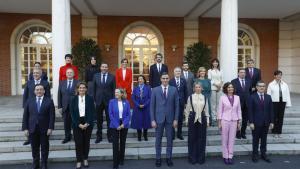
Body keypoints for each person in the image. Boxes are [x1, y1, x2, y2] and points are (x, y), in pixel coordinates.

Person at [22, 84, 55, 169]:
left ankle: (44, 163)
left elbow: (52, 116)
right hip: (32, 128)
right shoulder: (29, 101)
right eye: (37, 90)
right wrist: (25, 128)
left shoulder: (49, 101)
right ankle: (35, 163)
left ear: (44, 91)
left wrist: (50, 127)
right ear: (34, 91)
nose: (39, 91)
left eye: (41, 90)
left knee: (44, 147)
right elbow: (25, 115)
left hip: (45, 128)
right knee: (34, 147)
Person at [150, 72, 179, 167]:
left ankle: (168, 158)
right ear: (161, 79)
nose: (165, 80)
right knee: (158, 140)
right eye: (163, 78)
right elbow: (152, 107)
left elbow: (177, 106)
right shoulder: (155, 90)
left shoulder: (174, 90)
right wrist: (152, 120)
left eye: (167, 78)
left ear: (169, 79)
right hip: (158, 119)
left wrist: (176, 119)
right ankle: (158, 158)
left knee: (170, 140)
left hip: (170, 119)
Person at [70, 82, 95, 169]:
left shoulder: (90, 99)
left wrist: (87, 123)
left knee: (86, 142)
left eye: (84, 88)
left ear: (86, 89)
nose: (82, 89)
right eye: (80, 88)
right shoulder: (73, 99)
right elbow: (72, 113)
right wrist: (78, 124)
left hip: (88, 123)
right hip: (77, 123)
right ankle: (79, 160)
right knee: (78, 143)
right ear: (77, 89)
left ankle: (85, 159)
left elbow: (92, 112)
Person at [23, 68, 51, 146]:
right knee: (31, 121)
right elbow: (25, 95)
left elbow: (48, 95)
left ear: (41, 74)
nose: (35, 74)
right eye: (34, 73)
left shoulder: (45, 83)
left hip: (41, 106)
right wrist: (24, 106)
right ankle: (29, 139)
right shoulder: (29, 83)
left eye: (37, 73)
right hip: (31, 106)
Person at [248, 81, 274, 163]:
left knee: (264, 140)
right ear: (256, 87)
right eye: (260, 86)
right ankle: (255, 155)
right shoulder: (252, 97)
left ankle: (263, 154)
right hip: (256, 123)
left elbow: (271, 110)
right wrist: (251, 122)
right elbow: (250, 111)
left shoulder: (268, 97)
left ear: (265, 87)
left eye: (263, 86)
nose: (262, 87)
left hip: (266, 123)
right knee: (255, 140)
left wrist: (272, 122)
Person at [185, 82, 209, 165]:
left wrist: (208, 120)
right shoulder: (190, 97)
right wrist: (187, 120)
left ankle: (201, 158)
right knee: (192, 139)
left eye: (199, 87)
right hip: (192, 118)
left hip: (202, 118)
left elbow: (206, 110)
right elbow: (187, 109)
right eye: (196, 87)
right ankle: (192, 158)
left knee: (202, 139)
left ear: (201, 88)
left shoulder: (205, 97)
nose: (198, 88)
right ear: (194, 88)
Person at [217, 82, 242, 165]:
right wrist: (219, 122)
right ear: (226, 89)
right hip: (225, 120)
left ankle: (230, 156)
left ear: (234, 89)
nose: (230, 89)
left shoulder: (237, 98)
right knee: (224, 139)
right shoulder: (222, 98)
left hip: (234, 121)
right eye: (228, 87)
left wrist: (239, 122)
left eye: (231, 87)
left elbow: (239, 110)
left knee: (231, 139)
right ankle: (225, 156)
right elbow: (220, 110)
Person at [93, 63, 116, 143]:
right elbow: (94, 89)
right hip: (98, 101)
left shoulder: (112, 77)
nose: (104, 68)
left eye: (106, 67)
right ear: (100, 67)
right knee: (99, 120)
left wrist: (113, 101)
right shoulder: (96, 76)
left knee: (109, 119)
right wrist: (94, 100)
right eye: (103, 66)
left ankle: (110, 136)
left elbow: (113, 90)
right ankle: (99, 136)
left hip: (109, 101)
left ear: (107, 68)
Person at [109, 88, 131, 169]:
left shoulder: (126, 102)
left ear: (122, 94)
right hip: (114, 125)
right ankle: (115, 162)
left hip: (124, 124)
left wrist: (123, 124)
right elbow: (110, 114)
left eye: (117, 92)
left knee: (122, 142)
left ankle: (121, 159)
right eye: (115, 92)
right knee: (115, 144)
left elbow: (128, 115)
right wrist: (117, 125)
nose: (116, 94)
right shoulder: (111, 102)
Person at [267, 70, 292, 138]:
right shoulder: (271, 84)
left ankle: (279, 132)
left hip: (282, 102)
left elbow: (287, 94)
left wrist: (288, 103)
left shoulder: (285, 84)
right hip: (274, 102)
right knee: (274, 117)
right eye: (277, 75)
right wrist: (268, 104)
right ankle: (274, 131)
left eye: (280, 75)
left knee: (281, 117)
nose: (279, 76)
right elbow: (268, 95)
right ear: (274, 76)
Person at [58, 68, 79, 144]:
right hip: (65, 106)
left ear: (73, 74)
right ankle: (67, 137)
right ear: (66, 74)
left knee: (75, 122)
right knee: (66, 123)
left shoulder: (78, 82)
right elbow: (59, 95)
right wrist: (60, 106)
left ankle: (76, 137)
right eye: (68, 72)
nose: (69, 74)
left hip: (75, 107)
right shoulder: (61, 83)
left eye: (71, 72)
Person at [231, 68, 251, 139]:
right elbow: (232, 92)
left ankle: (243, 132)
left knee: (245, 119)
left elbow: (250, 91)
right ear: (238, 73)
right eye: (241, 72)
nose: (242, 74)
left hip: (247, 103)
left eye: (244, 72)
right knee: (237, 118)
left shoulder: (249, 81)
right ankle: (237, 132)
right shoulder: (233, 81)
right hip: (237, 102)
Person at [131, 75, 151, 141]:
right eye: (139, 79)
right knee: (138, 122)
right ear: (137, 80)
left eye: (141, 79)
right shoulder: (135, 88)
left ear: (144, 80)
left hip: (146, 108)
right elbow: (133, 98)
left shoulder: (148, 88)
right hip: (137, 108)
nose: (140, 80)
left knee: (146, 122)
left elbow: (150, 98)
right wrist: (138, 105)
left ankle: (145, 135)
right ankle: (139, 136)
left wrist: (144, 104)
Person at [169, 67, 187, 140]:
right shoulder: (171, 81)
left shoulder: (183, 81)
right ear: (174, 72)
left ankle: (179, 134)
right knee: (173, 118)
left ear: (181, 72)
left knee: (180, 119)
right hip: (172, 103)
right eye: (176, 71)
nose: (178, 72)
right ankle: (172, 134)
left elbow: (186, 91)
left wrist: (186, 102)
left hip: (181, 103)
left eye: (179, 71)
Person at [208, 59, 223, 126]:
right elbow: (209, 79)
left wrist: (219, 86)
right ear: (212, 63)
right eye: (214, 62)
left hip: (220, 89)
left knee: (219, 104)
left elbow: (222, 80)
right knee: (213, 104)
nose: (215, 63)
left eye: (216, 62)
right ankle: (213, 119)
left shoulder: (221, 71)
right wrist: (216, 85)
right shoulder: (210, 71)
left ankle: (218, 118)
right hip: (213, 88)